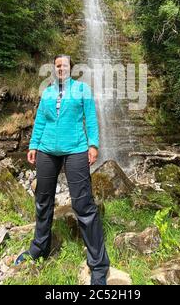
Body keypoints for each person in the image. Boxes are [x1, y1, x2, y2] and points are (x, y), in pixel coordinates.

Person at [15, 54, 110, 285]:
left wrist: (93, 144)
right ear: (53, 68)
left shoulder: (81, 89)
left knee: (83, 204)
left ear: (70, 68)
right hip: (47, 149)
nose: (60, 68)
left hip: (76, 148)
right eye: (57, 65)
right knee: (43, 199)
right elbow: (40, 121)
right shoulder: (47, 92)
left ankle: (98, 265)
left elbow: (91, 118)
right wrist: (34, 145)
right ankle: (39, 249)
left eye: (64, 65)